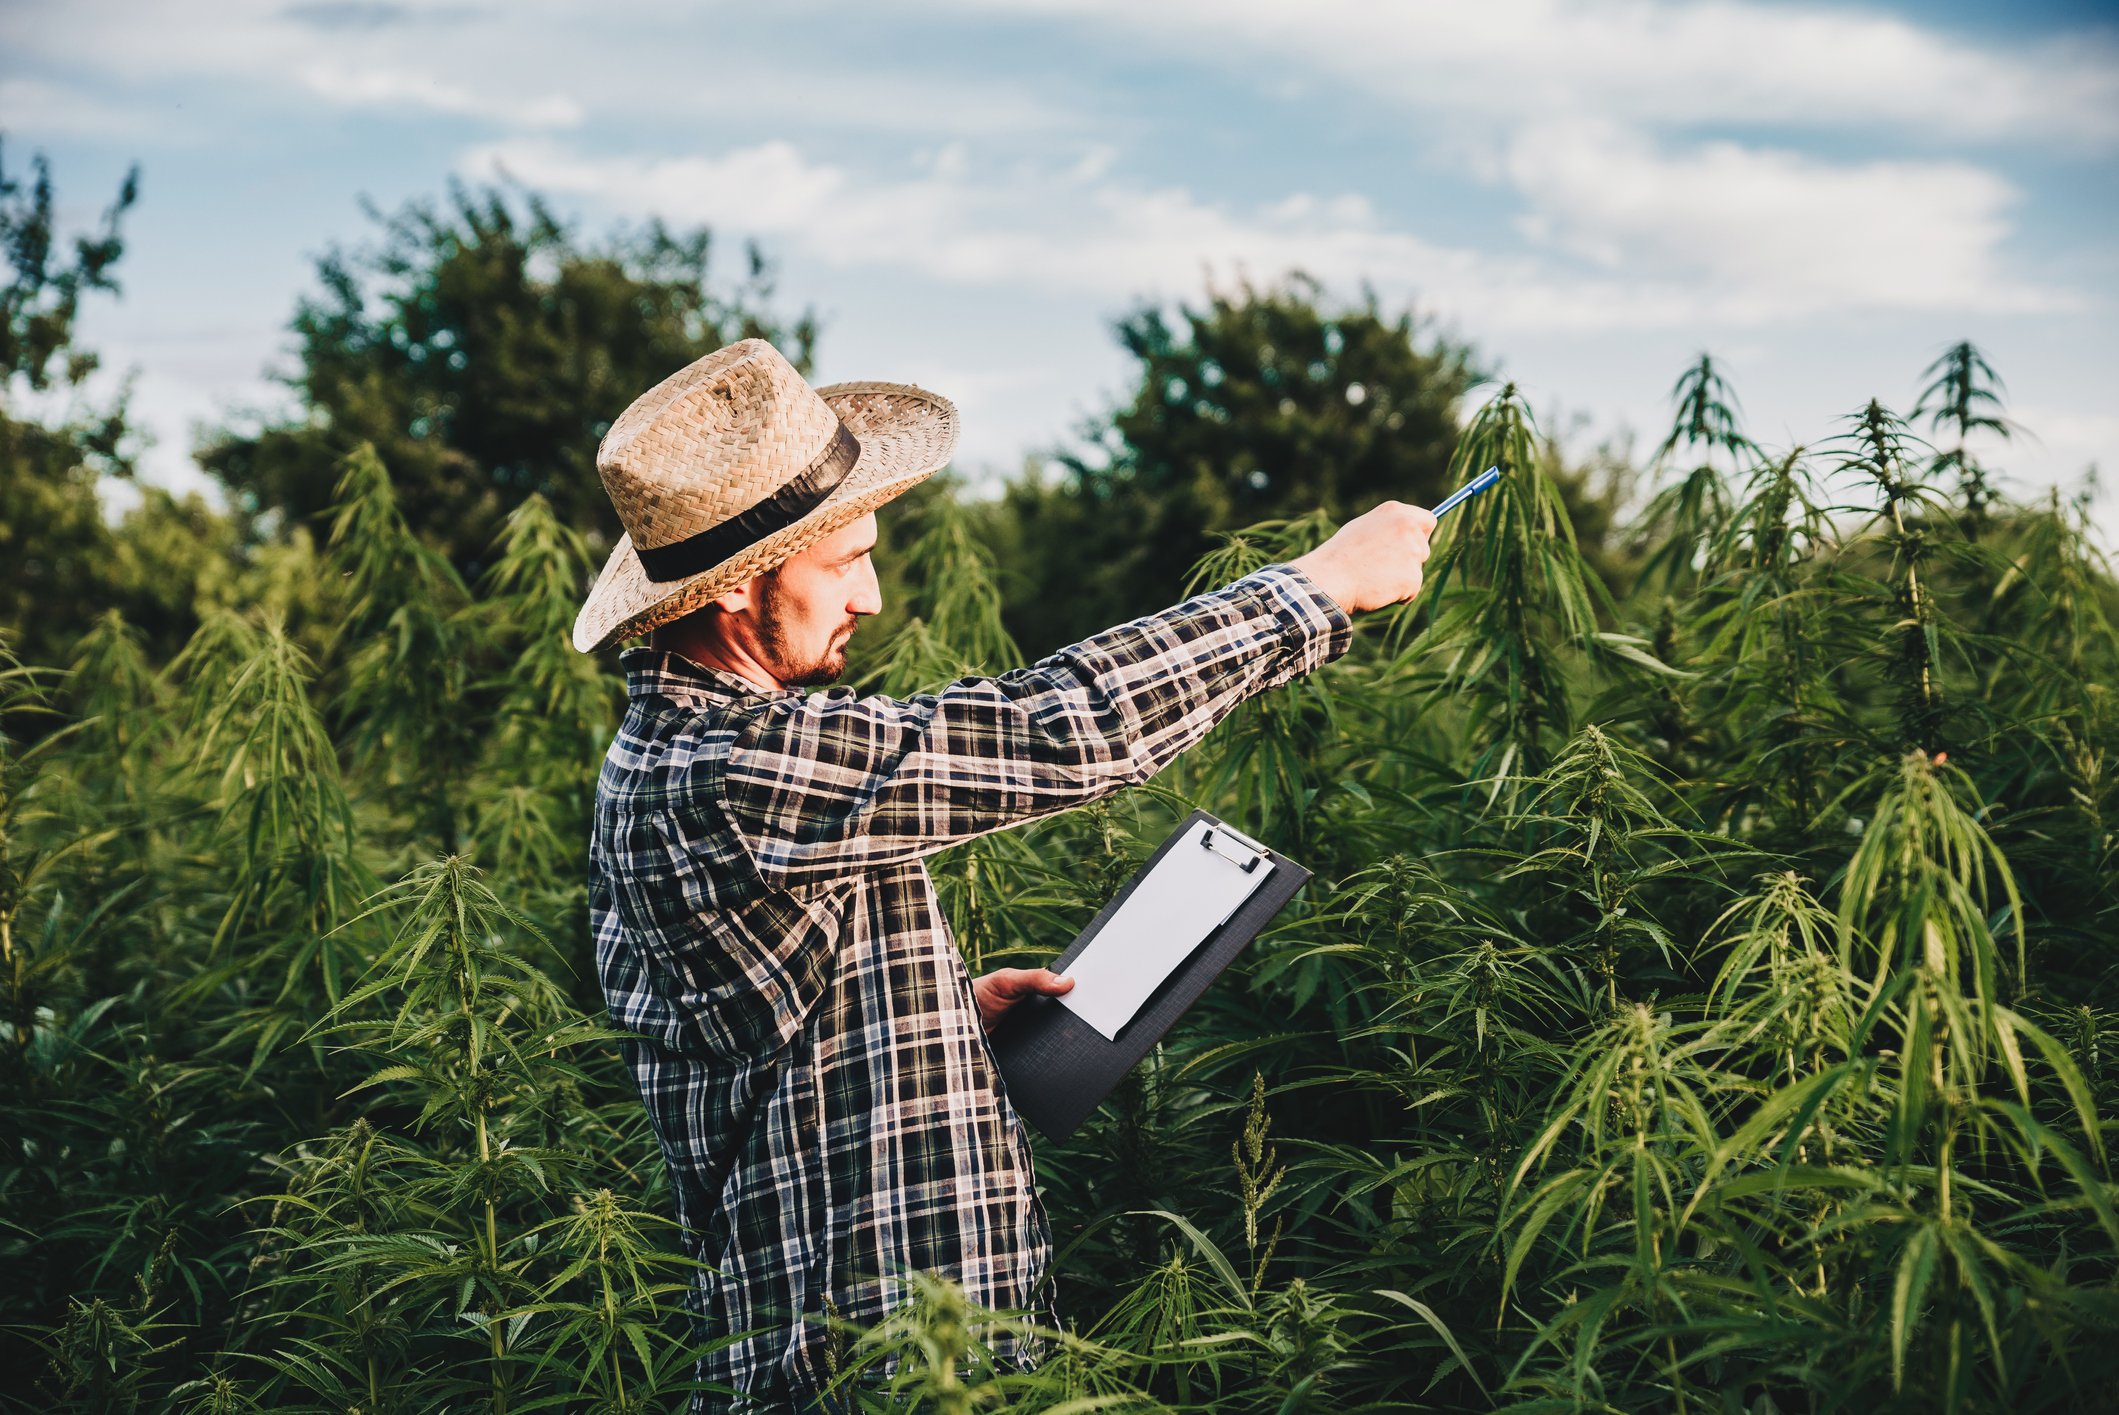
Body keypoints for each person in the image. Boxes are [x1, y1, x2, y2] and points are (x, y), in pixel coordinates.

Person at [573, 339, 1438, 1412]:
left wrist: (934, 1014)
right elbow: (1053, 730)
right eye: (845, 562)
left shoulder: (688, 751)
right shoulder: (725, 767)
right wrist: (1314, 589)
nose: (873, 596)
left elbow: (749, 1018)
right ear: (745, 589)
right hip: (870, 1368)